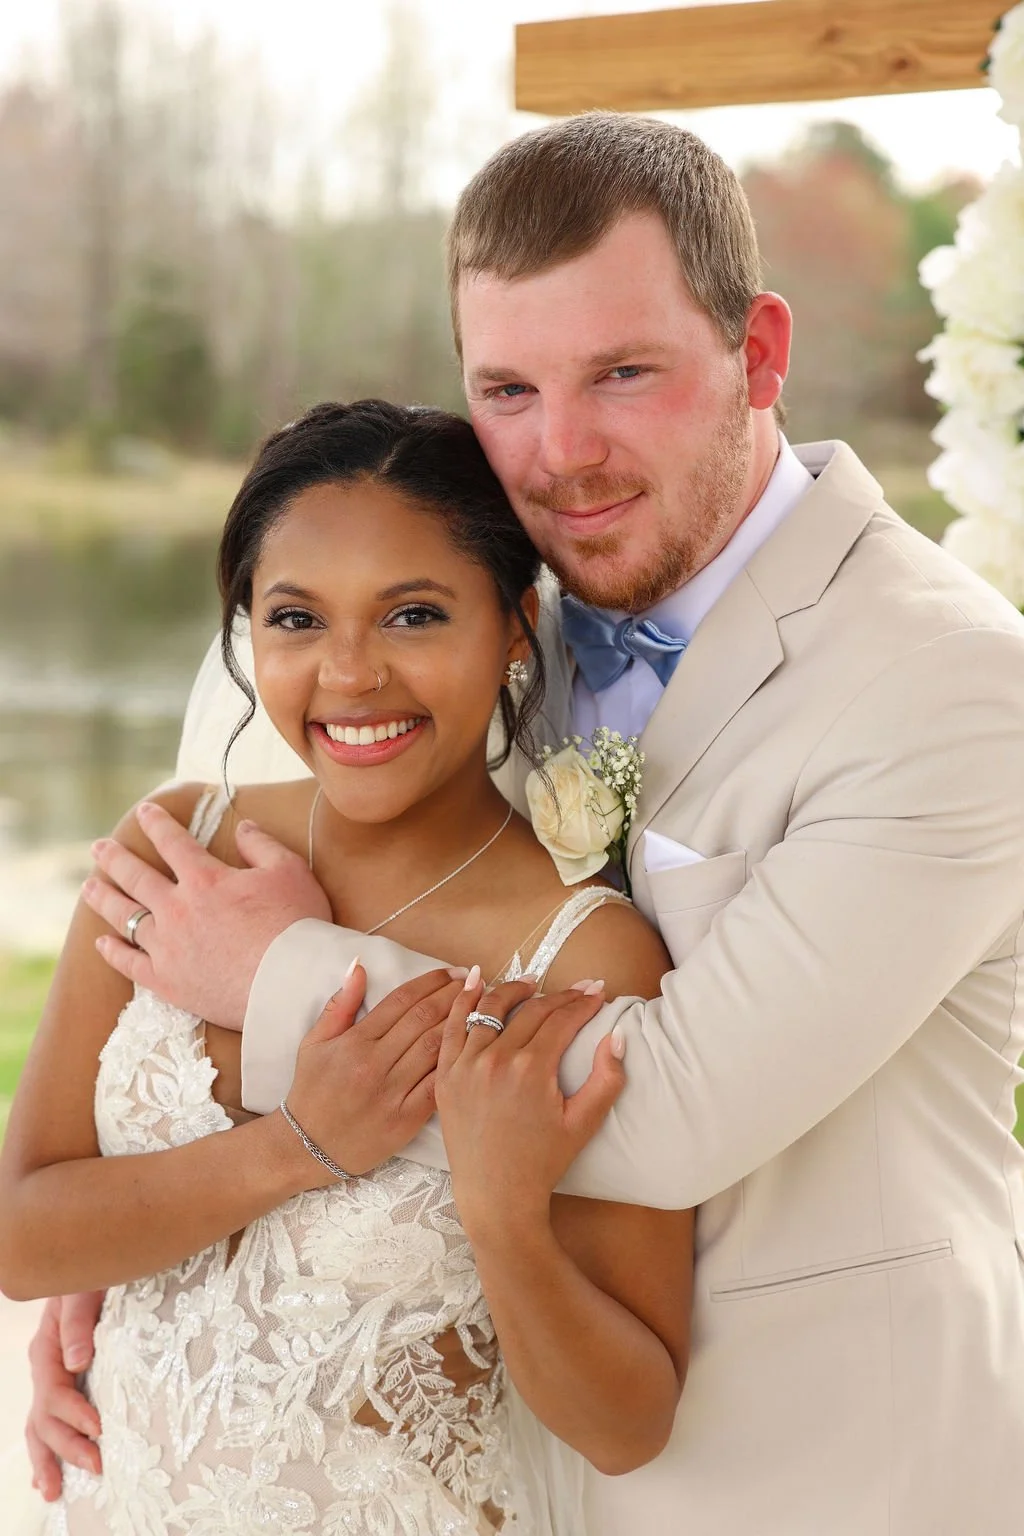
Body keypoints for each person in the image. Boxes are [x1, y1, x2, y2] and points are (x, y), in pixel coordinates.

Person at [26, 112, 1024, 1535]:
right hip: (469, 1474)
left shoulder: (955, 684)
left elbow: (669, 1111)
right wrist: (150, 1235)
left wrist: (268, 984)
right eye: (507, 388)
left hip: (812, 1477)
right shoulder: (468, 614)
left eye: (623, 374)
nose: (561, 454)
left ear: (758, 354)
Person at [1, 399, 687, 1534]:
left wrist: (504, 1217)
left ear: (516, 626)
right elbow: (25, 1239)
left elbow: (627, 1423)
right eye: (296, 619)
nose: (350, 676)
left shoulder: (580, 954)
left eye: (413, 615)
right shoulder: (175, 846)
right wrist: (294, 1150)